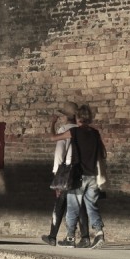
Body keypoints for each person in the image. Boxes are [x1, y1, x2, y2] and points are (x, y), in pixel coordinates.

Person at [42, 112, 89, 246]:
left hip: (67, 171)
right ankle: (85, 237)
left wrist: (56, 175)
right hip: (80, 171)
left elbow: (59, 153)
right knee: (80, 205)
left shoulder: (65, 130)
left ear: (65, 117)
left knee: (60, 204)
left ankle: (52, 236)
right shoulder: (84, 131)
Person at [62, 104, 106, 248]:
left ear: (77, 118)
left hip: (78, 176)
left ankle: (70, 238)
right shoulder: (95, 133)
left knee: (72, 208)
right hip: (92, 176)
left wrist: (52, 124)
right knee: (92, 206)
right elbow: (103, 153)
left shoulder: (74, 131)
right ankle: (99, 233)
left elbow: (53, 138)